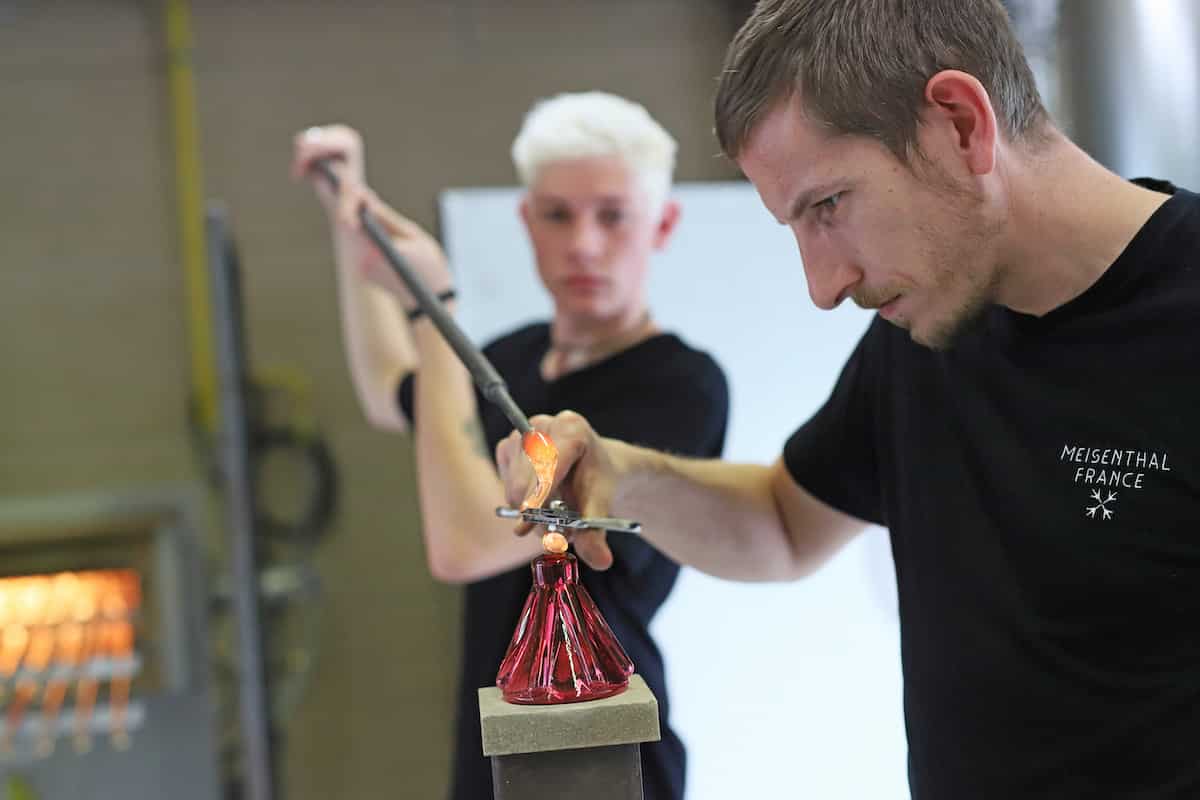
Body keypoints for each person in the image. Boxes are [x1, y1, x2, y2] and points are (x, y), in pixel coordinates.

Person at [494, 2, 1200, 798]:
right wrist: (620, 474)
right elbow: (784, 523)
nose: (823, 288)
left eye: (828, 206)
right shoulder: (931, 327)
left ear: (961, 125)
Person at [292, 92, 728, 800]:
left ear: (663, 223)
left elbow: (465, 544)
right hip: (498, 743)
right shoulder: (514, 357)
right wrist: (351, 218)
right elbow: (389, 390)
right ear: (528, 222)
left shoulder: (679, 387)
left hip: (599, 757)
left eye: (612, 214)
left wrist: (436, 311)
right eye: (558, 214)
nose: (584, 243)